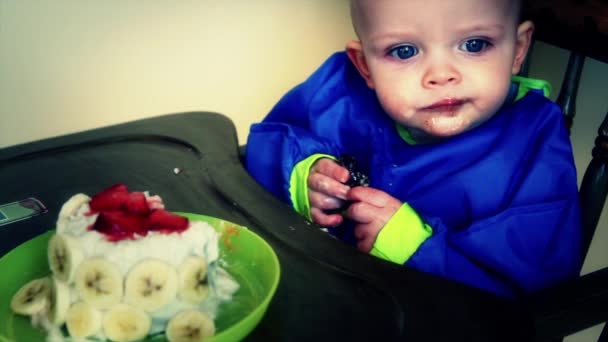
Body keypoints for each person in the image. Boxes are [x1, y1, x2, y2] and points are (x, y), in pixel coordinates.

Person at [245, 0, 582, 297]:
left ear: (518, 49)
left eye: (475, 44)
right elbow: (267, 143)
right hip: (326, 297)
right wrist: (306, 173)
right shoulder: (338, 89)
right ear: (364, 65)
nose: (441, 74)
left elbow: (536, 281)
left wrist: (415, 248)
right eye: (404, 50)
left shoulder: (534, 137)